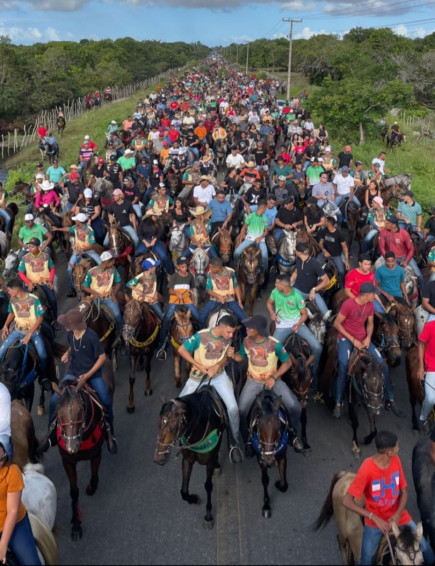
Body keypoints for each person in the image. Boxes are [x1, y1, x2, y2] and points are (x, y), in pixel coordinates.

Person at [343, 430, 434, 565]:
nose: (399, 448)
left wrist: (397, 515)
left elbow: (404, 492)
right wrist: (373, 517)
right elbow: (347, 501)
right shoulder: (366, 469)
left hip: (400, 516)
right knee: (367, 560)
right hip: (375, 523)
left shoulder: (396, 460)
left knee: (427, 551)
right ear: (388, 452)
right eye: (397, 446)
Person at [228, 314, 304, 455]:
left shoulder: (275, 344)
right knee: (241, 411)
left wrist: (274, 378)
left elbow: (287, 363)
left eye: (251, 327)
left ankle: (294, 435)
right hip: (253, 381)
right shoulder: (246, 341)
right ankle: (248, 441)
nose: (247, 328)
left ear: (259, 330)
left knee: (296, 408)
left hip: (274, 381)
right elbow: (241, 357)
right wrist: (233, 356)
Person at [44, 308, 117, 454]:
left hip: (92, 374)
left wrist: (88, 375)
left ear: (76, 325)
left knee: (106, 402)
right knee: (54, 400)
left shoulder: (91, 336)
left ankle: (111, 433)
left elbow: (102, 357)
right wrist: (67, 352)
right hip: (73, 372)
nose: (65, 326)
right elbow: (73, 347)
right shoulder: (70, 334)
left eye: (67, 323)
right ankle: (51, 432)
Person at [177, 316, 243, 464]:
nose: (231, 335)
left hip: (219, 377)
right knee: (179, 407)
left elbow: (226, 357)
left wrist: (217, 365)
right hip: (197, 377)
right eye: (228, 332)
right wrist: (197, 364)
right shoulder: (201, 336)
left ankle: (234, 440)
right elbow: (181, 350)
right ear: (220, 327)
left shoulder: (228, 337)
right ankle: (180, 437)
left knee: (233, 409)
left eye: (232, 333)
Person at [333, 282, 401, 419]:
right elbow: (337, 324)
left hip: (364, 339)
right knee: (343, 364)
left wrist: (369, 337)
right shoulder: (349, 304)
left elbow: (370, 323)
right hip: (346, 339)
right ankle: (338, 402)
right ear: (367, 294)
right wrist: (353, 341)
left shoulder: (369, 305)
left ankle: (390, 398)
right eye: (373, 294)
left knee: (383, 364)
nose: (375, 296)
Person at [267, 273, 322, 382]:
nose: (275, 284)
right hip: (281, 325)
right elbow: (269, 303)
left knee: (318, 347)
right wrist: (272, 313)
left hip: (298, 325)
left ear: (283, 286)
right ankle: (273, 375)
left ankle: (314, 372)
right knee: (269, 350)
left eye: (277, 283)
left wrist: (297, 324)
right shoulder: (275, 292)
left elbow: (304, 314)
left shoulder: (297, 296)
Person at [0, 278, 50, 391]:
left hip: (33, 332)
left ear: (16, 290)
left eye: (9, 290)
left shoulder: (34, 299)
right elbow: (12, 312)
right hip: (18, 330)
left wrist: (29, 334)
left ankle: (44, 376)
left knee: (43, 355)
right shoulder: (13, 300)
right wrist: (5, 326)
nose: (8, 292)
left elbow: (40, 318)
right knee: (0, 353)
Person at [0, 434, 42, 565]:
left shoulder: (12, 472)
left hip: (14, 524)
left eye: (1, 458)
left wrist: (2, 545)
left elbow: (12, 511)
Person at [156, 257, 200, 360]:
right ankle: (162, 346)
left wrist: (194, 301)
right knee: (165, 320)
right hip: (175, 301)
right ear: (178, 267)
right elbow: (170, 291)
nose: (185, 268)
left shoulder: (190, 276)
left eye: (186, 266)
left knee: (199, 318)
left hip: (187, 301)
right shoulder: (174, 277)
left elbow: (192, 289)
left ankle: (201, 341)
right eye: (183, 266)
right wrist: (177, 293)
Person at [53, 213, 101, 298]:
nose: (74, 221)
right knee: (69, 270)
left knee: (101, 265)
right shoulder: (75, 228)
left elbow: (92, 244)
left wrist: (82, 250)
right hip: (77, 251)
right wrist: (57, 229)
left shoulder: (90, 230)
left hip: (89, 251)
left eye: (76, 220)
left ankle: (101, 285)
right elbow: (67, 229)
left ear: (80, 221)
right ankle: (72, 289)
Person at [82, 251, 123, 333]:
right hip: (95, 299)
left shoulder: (113, 270)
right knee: (88, 317)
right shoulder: (91, 272)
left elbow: (118, 283)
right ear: (106, 262)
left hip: (109, 298)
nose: (114, 263)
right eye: (112, 261)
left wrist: (114, 294)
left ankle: (120, 334)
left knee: (118, 316)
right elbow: (84, 286)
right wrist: (94, 293)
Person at [379, 215, 423, 289]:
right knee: (380, 273)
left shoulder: (404, 233)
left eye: (387, 223)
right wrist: (388, 259)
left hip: (404, 257)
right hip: (389, 258)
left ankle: (423, 294)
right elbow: (381, 247)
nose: (385, 225)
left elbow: (411, 249)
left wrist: (406, 261)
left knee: (418, 275)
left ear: (393, 225)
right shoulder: (383, 231)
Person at [17, 237, 57, 320]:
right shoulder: (24, 258)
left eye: (32, 247)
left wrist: (50, 280)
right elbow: (20, 273)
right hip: (31, 283)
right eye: (29, 246)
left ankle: (55, 319)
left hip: (44, 283)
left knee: (52, 300)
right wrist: (28, 283)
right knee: (23, 302)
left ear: (38, 246)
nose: (30, 248)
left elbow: (52, 268)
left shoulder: (45, 256)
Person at [290, 242, 331, 320]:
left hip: (311, 292)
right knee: (288, 307)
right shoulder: (298, 260)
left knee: (326, 315)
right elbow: (296, 272)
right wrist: (289, 283)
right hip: (297, 289)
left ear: (299, 253)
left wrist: (314, 289)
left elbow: (327, 281)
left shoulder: (314, 264)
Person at [200, 257, 246, 326]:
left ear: (218, 268)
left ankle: (244, 335)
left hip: (229, 299)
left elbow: (236, 286)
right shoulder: (210, 274)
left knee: (243, 318)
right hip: (215, 299)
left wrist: (239, 301)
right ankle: (202, 332)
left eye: (212, 267)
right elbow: (208, 290)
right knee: (202, 317)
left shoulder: (231, 272)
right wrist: (219, 297)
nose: (210, 269)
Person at [233, 200, 269, 273]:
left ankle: (263, 272)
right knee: (237, 252)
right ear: (264, 208)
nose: (266, 210)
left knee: (265, 255)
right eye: (266, 208)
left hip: (260, 240)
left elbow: (266, 231)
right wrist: (240, 238)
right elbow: (243, 228)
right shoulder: (250, 216)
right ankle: (236, 266)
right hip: (249, 238)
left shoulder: (264, 217)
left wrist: (260, 237)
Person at [318, 216, 350, 289]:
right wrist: (324, 250)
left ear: (329, 223)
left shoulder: (339, 234)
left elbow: (345, 248)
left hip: (336, 256)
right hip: (324, 255)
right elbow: (320, 243)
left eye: (325, 221)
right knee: (314, 264)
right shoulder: (324, 231)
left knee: (342, 272)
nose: (324, 222)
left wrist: (347, 261)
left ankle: (342, 287)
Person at [417, 318, 435, 433]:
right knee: (431, 398)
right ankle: (423, 418)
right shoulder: (430, 325)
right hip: (432, 367)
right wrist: (421, 367)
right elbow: (421, 344)